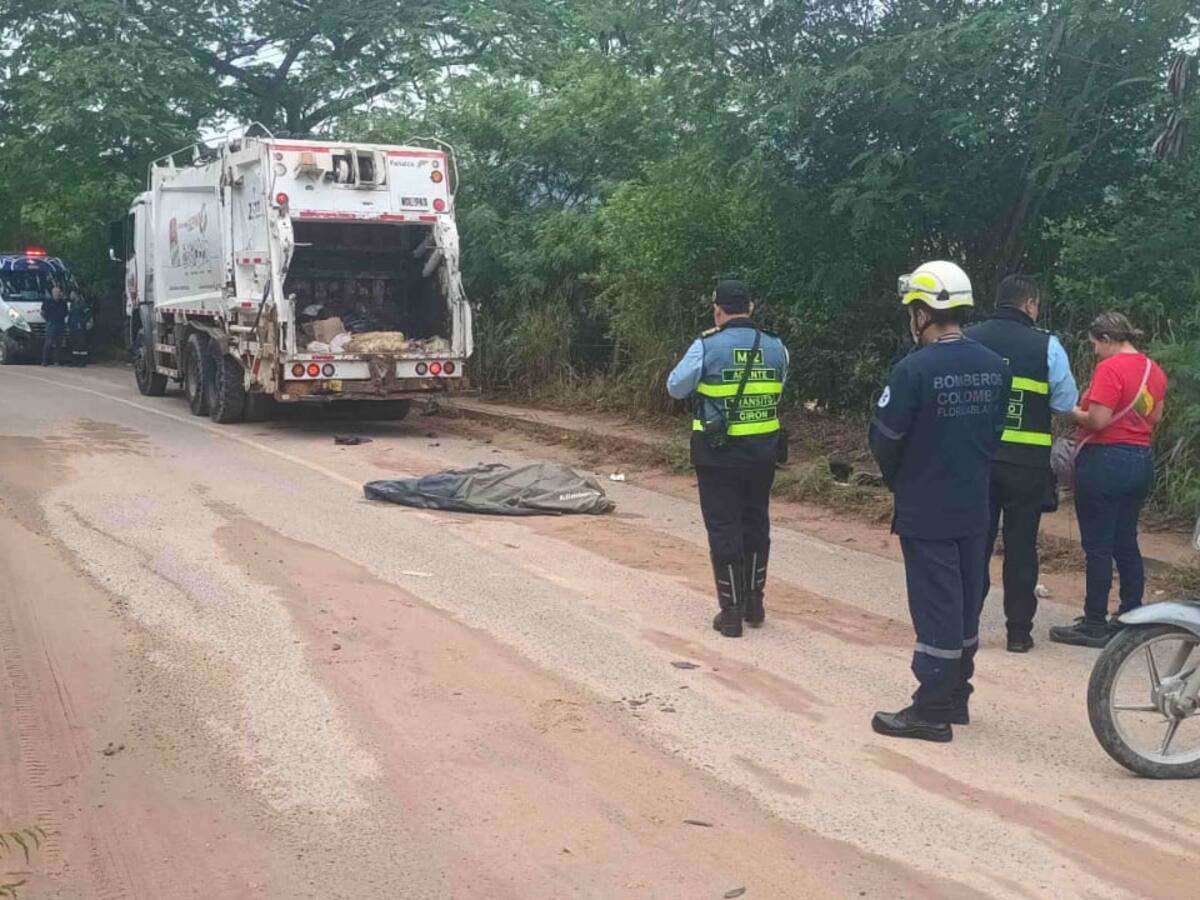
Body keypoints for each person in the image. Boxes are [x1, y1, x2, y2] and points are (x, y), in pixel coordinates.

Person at [868, 260, 1009, 742]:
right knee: (968, 599)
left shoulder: (912, 370)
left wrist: (900, 482)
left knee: (936, 608)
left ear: (924, 313)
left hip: (926, 506)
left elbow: (886, 440)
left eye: (913, 309)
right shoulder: (994, 366)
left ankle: (930, 709)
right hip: (975, 504)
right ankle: (956, 696)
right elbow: (994, 435)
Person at [667, 279, 788, 637]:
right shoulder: (777, 347)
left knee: (724, 526)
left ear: (717, 309)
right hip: (764, 452)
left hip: (718, 455)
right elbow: (779, 387)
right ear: (750, 307)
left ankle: (731, 613)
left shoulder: (706, 345)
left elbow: (675, 387)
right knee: (756, 523)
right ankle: (755, 603)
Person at [966, 275, 1078, 652]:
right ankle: (1018, 633)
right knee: (1021, 547)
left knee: (974, 543)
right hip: (1026, 465)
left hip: (978, 460)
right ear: (1029, 304)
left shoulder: (969, 339)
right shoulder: (1048, 345)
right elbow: (1065, 402)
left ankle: (967, 625)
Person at [1049, 311, 1168, 648]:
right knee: (1126, 540)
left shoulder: (1110, 368)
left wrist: (1064, 409)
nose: (1095, 353)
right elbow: (1155, 415)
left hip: (1104, 460)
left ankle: (1093, 622)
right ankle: (1131, 614)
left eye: (1096, 346)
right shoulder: (1152, 369)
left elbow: (1098, 420)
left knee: (1098, 546)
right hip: (1141, 460)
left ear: (1106, 339)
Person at [40, 285, 68, 366]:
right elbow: (42, 313)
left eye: (58, 292)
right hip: (51, 324)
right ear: (52, 293)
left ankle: (57, 361)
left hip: (60, 324)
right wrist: (47, 320)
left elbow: (66, 313)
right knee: (48, 343)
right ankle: (45, 361)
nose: (57, 294)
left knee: (59, 343)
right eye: (55, 292)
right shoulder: (47, 301)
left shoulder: (63, 302)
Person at [67, 290, 92, 367]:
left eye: (72, 294)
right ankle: (75, 361)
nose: (70, 295)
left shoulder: (83, 304)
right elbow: (70, 316)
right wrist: (68, 324)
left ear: (76, 295)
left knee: (82, 344)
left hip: (80, 328)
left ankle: (83, 361)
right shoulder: (72, 304)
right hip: (72, 327)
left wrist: (83, 323)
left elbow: (88, 314)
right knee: (74, 344)